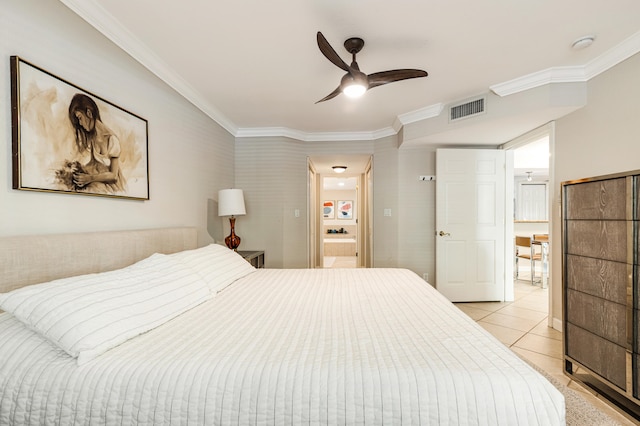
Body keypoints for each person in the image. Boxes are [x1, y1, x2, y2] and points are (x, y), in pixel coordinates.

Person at [66, 93, 126, 193]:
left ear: (89, 113)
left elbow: (114, 176)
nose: (80, 123)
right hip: (100, 188)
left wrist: (89, 178)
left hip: (114, 190)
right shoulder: (92, 139)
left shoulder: (112, 139)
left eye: (80, 118)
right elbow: (93, 164)